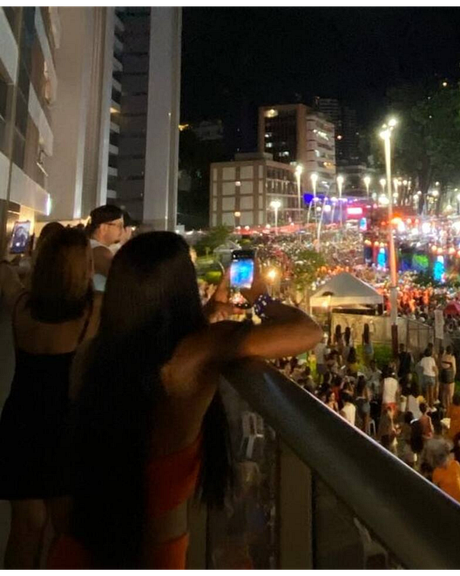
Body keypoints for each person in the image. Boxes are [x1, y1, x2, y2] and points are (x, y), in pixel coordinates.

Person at [47, 232, 323, 571]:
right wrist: (261, 299)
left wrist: (206, 312)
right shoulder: (202, 350)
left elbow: (148, 348)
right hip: (154, 556)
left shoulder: (90, 357)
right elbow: (308, 332)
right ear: (181, 290)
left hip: (78, 546)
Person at [0, 228, 101, 571]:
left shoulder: (22, 307)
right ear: (83, 268)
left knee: (24, 530)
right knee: (66, 534)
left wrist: (9, 257)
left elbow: (5, 275)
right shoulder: (94, 313)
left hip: (19, 424)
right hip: (65, 431)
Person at [85, 205, 125, 293]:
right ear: (104, 228)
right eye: (119, 226)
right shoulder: (99, 251)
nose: (122, 230)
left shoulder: (90, 246)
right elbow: (123, 276)